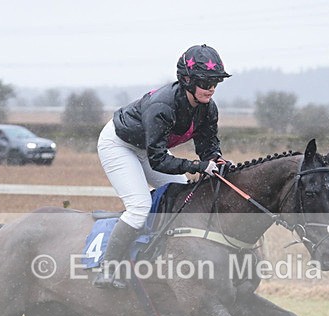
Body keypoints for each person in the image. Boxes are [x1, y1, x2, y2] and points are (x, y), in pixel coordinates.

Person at [94, 44, 231, 289]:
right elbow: (158, 160)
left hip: (148, 147)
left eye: (215, 82)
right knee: (139, 207)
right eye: (206, 81)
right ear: (187, 80)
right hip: (119, 145)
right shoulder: (163, 107)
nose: (211, 88)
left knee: (182, 199)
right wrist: (197, 166)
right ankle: (108, 268)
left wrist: (217, 161)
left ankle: (161, 260)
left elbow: (208, 148)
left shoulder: (208, 109)